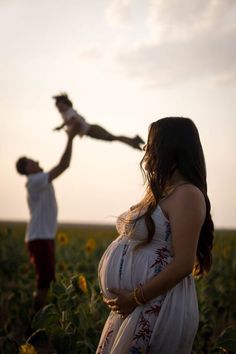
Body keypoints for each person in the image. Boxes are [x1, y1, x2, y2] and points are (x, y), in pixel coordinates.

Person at [96, 117, 214, 354]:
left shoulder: (187, 194)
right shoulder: (160, 192)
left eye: (151, 143)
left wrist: (135, 298)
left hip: (158, 305)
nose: (145, 150)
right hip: (136, 306)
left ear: (168, 147)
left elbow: (183, 263)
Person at [15, 123, 79, 311]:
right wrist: (70, 137)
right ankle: (34, 324)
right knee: (45, 282)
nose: (35, 160)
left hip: (44, 237)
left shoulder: (39, 180)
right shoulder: (34, 181)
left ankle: (39, 320)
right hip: (39, 238)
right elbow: (63, 165)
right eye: (30, 161)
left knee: (48, 280)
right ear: (27, 169)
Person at [53, 93, 145, 150]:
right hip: (91, 131)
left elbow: (73, 120)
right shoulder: (66, 113)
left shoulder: (69, 112)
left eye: (60, 106)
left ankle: (135, 141)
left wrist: (62, 127)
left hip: (92, 130)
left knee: (113, 138)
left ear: (65, 104)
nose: (59, 108)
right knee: (114, 138)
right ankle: (134, 142)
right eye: (57, 107)